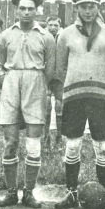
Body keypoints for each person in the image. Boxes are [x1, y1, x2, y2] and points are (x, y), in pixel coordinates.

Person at [52, 0, 105, 209]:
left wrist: (103, 89)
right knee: (73, 145)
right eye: (83, 6)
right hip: (74, 98)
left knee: (101, 147)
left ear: (98, 7)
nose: (88, 11)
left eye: (92, 6)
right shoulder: (65, 34)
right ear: (76, 9)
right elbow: (60, 68)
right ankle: (71, 193)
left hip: (100, 99)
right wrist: (71, 88)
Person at [0, 0, 56, 209]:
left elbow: (50, 69)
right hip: (11, 83)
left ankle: (29, 192)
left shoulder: (46, 36)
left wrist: (37, 82)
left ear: (36, 10)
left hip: (35, 82)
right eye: (22, 8)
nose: (27, 12)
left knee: (33, 143)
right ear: (16, 9)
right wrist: (9, 80)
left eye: (31, 8)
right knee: (10, 141)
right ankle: (11, 192)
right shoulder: (5, 35)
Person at [44, 16, 62, 146]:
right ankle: (46, 137)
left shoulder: (64, 36)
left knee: (59, 106)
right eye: (50, 25)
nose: (53, 28)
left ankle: (59, 137)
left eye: (56, 25)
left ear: (59, 26)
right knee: (46, 105)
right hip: (45, 75)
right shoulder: (42, 36)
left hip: (59, 77)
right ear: (46, 25)